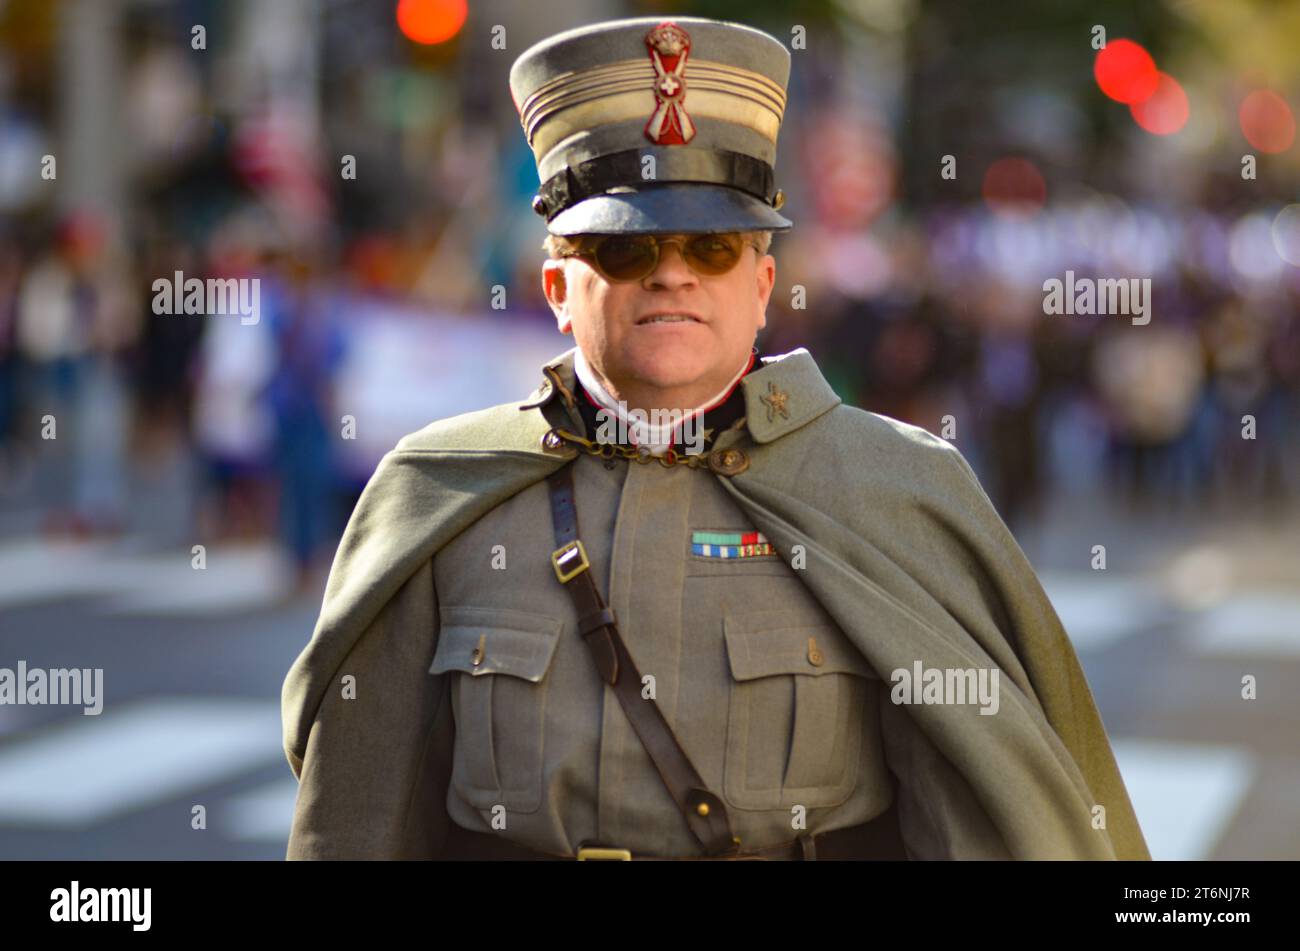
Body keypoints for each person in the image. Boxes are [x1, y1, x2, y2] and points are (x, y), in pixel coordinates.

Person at [282, 15, 1150, 860]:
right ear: (555, 285)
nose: (672, 272)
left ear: (763, 283)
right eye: (625, 251)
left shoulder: (896, 489)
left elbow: (981, 821)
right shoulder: (439, 494)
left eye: (712, 247)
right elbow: (355, 825)